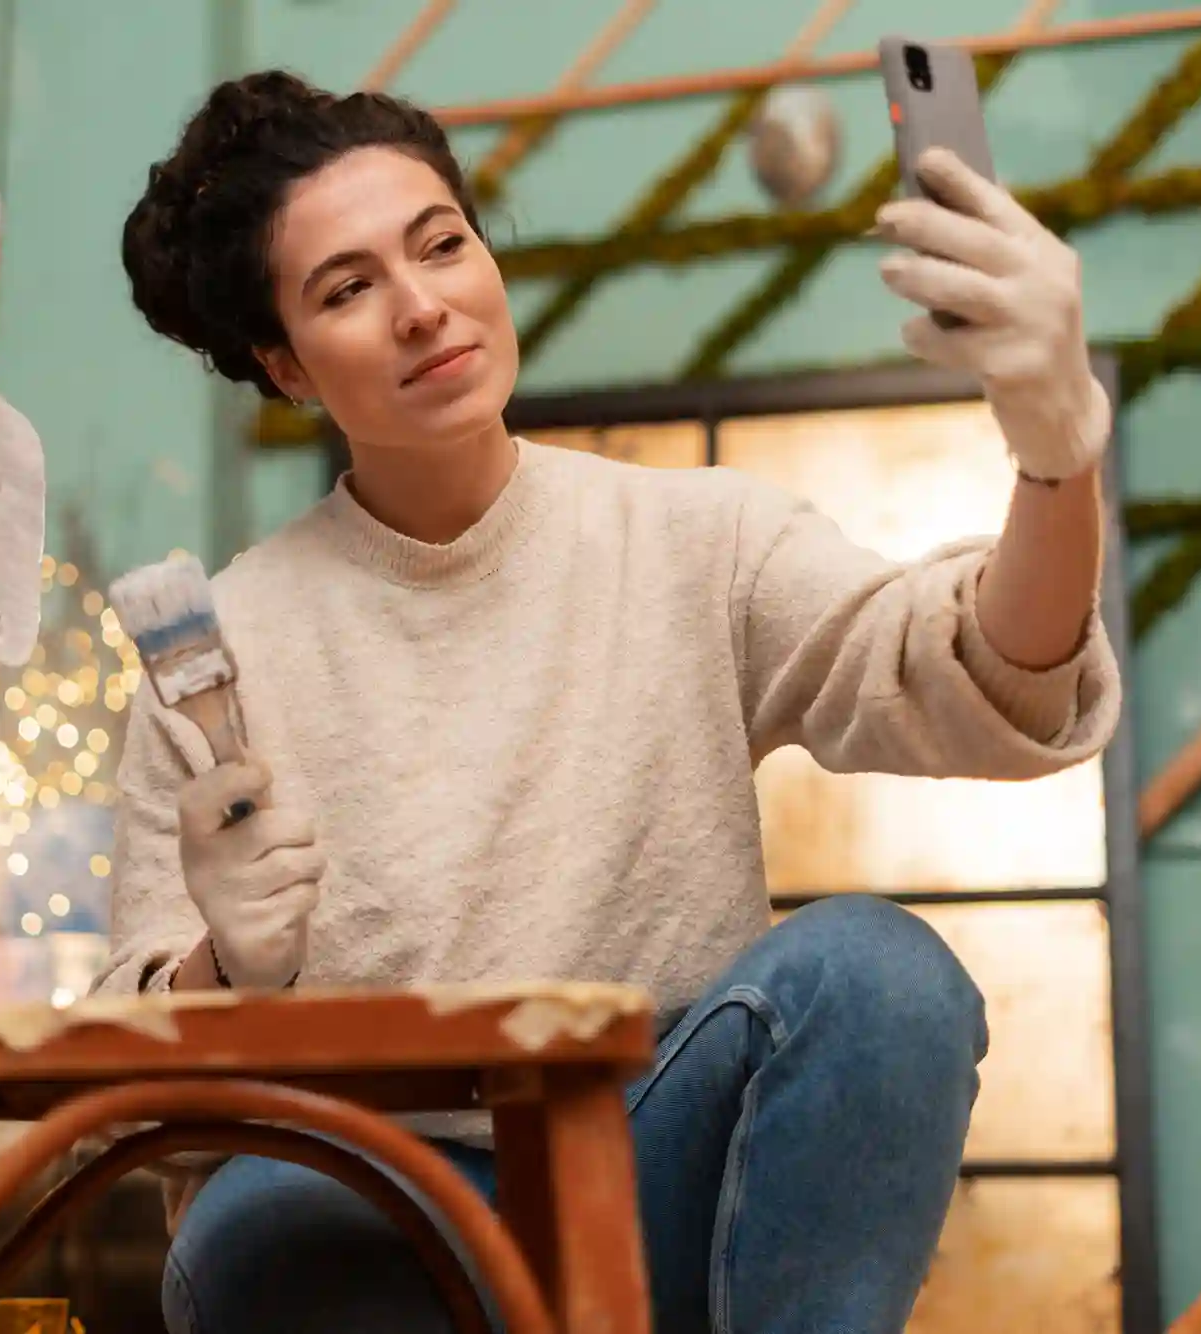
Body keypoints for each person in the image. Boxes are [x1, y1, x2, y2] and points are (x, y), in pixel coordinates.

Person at [100, 68, 1121, 1334]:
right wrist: (222, 964)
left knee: (878, 973)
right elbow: (128, 1081)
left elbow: (978, 679)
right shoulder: (218, 648)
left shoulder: (696, 540)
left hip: (642, 1170)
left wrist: (1055, 446)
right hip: (352, 1198)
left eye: (441, 245)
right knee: (268, 1219)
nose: (422, 307)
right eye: (348, 288)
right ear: (283, 364)